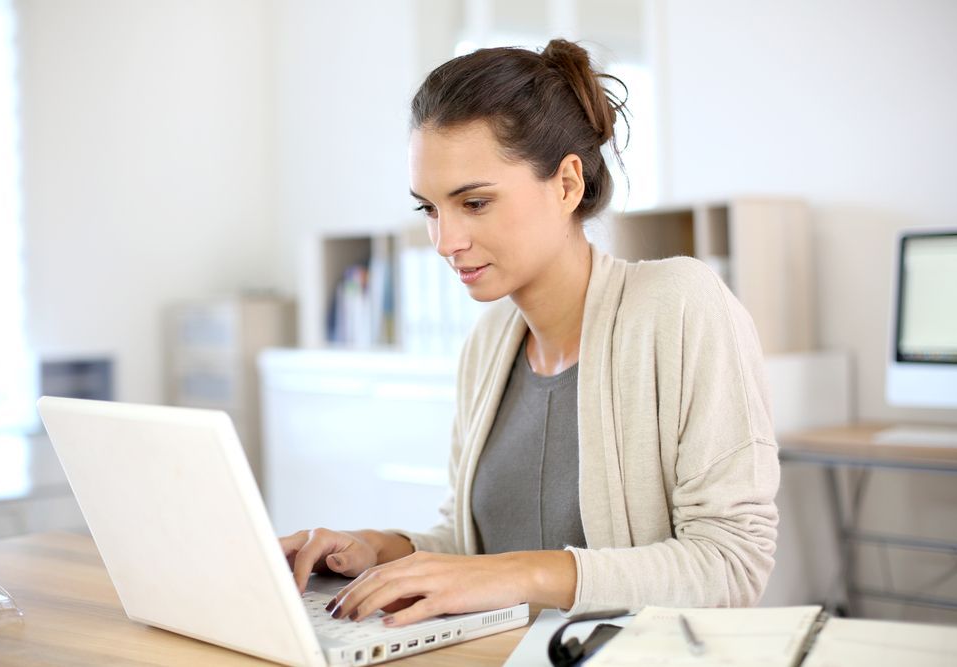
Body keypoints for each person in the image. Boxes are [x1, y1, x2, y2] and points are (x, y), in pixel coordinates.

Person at [279, 38, 779, 628]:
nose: (445, 241)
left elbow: (733, 563)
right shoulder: (489, 344)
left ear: (567, 185)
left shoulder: (679, 307)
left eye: (474, 202)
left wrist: (520, 573)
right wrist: (380, 549)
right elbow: (474, 545)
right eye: (430, 209)